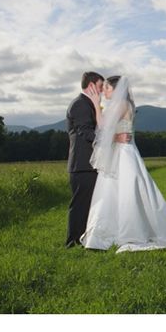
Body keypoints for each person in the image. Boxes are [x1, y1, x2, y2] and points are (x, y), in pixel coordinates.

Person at [80, 75, 166, 252]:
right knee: (114, 192)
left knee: (127, 191)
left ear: (116, 90)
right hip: (121, 151)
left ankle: (131, 231)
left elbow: (103, 127)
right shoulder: (123, 104)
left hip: (123, 154)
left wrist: (95, 104)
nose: (104, 92)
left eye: (107, 88)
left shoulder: (122, 104)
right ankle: (111, 232)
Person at [65, 72, 131, 248]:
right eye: (101, 86)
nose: (102, 90)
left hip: (91, 163)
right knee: (80, 204)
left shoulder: (88, 104)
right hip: (82, 163)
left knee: (91, 204)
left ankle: (85, 237)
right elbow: (86, 132)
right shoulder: (80, 104)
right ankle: (72, 241)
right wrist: (113, 138)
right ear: (91, 85)